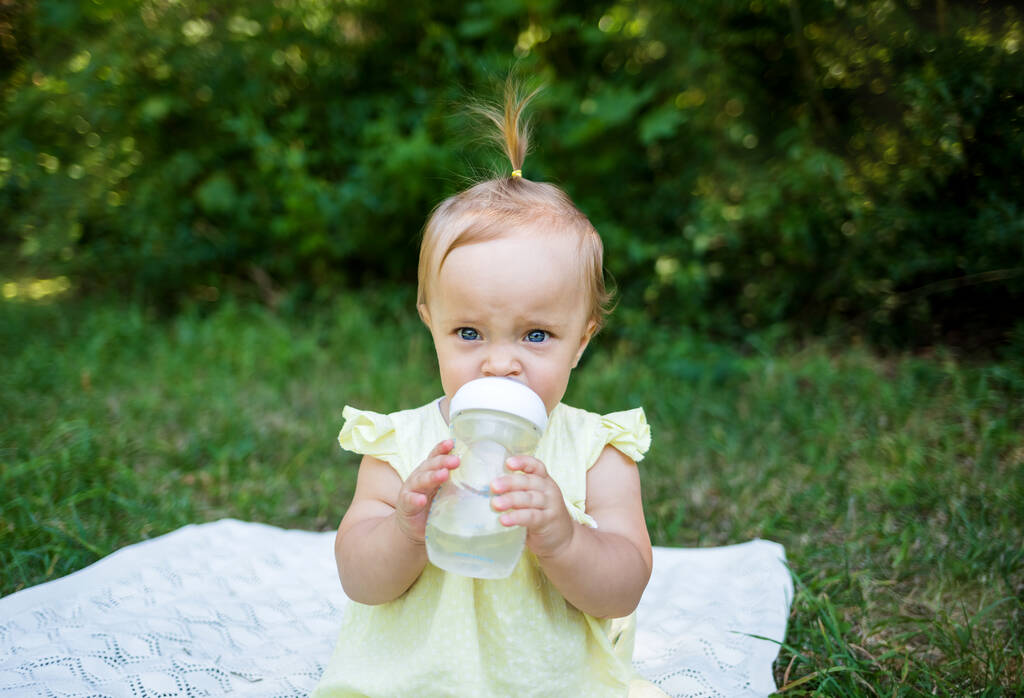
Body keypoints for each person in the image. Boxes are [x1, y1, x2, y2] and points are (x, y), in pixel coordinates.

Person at [313, 84, 665, 697]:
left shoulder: (595, 451)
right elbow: (359, 579)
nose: (500, 364)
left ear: (581, 341)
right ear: (431, 324)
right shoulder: (402, 446)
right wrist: (403, 528)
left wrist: (563, 536)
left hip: (550, 684)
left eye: (536, 335)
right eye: (469, 332)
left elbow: (624, 587)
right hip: (409, 682)